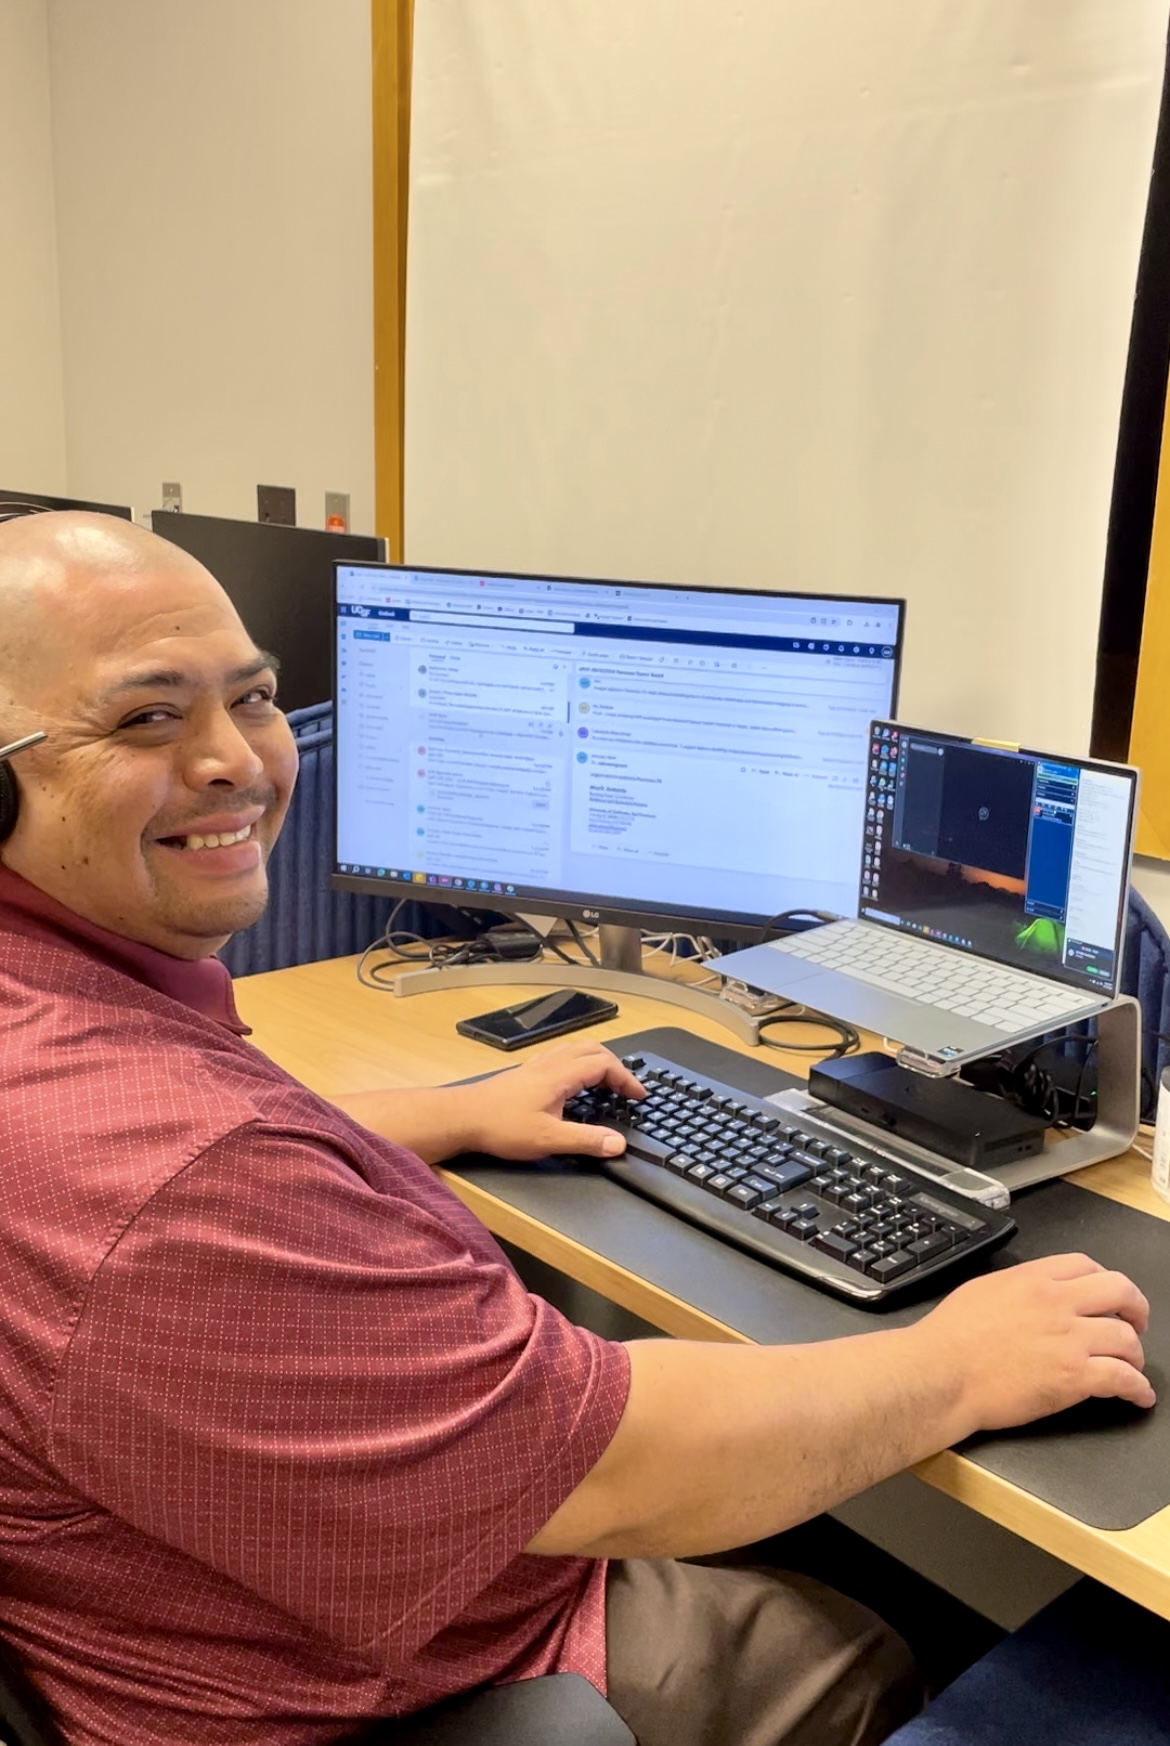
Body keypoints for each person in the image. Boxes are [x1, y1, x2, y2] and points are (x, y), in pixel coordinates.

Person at [0, 512, 1153, 1746]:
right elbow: (603, 1469)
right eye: (144, 717)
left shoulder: (59, 1029)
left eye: (256, 697)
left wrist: (437, 1118)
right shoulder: (182, 1184)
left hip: (171, 1617)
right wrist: (955, 1364)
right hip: (383, 1686)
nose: (236, 759)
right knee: (850, 1644)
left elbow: (186, 1150)